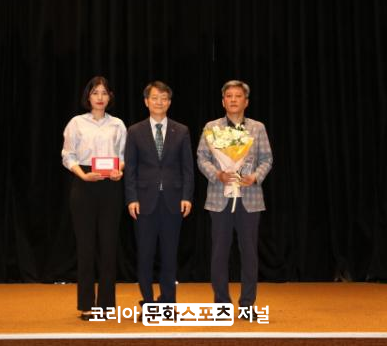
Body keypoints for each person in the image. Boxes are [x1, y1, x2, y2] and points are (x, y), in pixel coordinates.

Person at [197, 80, 272, 313]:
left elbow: (267, 159)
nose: (233, 100)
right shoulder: (212, 127)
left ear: (246, 101)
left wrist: (255, 176)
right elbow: (202, 158)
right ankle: (222, 304)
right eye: (228, 96)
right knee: (219, 253)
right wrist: (217, 174)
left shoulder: (257, 128)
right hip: (220, 198)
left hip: (249, 199)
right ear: (223, 101)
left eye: (238, 96)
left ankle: (247, 304)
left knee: (249, 253)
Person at [62, 76, 126, 320]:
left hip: (110, 186)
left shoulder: (118, 124)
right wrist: (82, 175)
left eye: (104, 93)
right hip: (84, 184)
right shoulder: (76, 123)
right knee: (86, 247)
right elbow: (68, 155)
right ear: (88, 97)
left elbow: (122, 155)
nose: (100, 97)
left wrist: (119, 171)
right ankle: (87, 305)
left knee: (109, 247)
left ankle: (106, 305)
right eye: (95, 92)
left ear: (110, 97)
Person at [124, 81, 194, 305]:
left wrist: (187, 196)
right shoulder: (135, 131)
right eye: (154, 98)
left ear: (169, 102)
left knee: (169, 256)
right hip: (144, 202)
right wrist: (132, 198)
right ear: (146, 102)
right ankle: (147, 301)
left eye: (164, 98)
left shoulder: (181, 130)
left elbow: (188, 168)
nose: (159, 102)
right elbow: (130, 169)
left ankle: (168, 301)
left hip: (173, 202)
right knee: (145, 255)